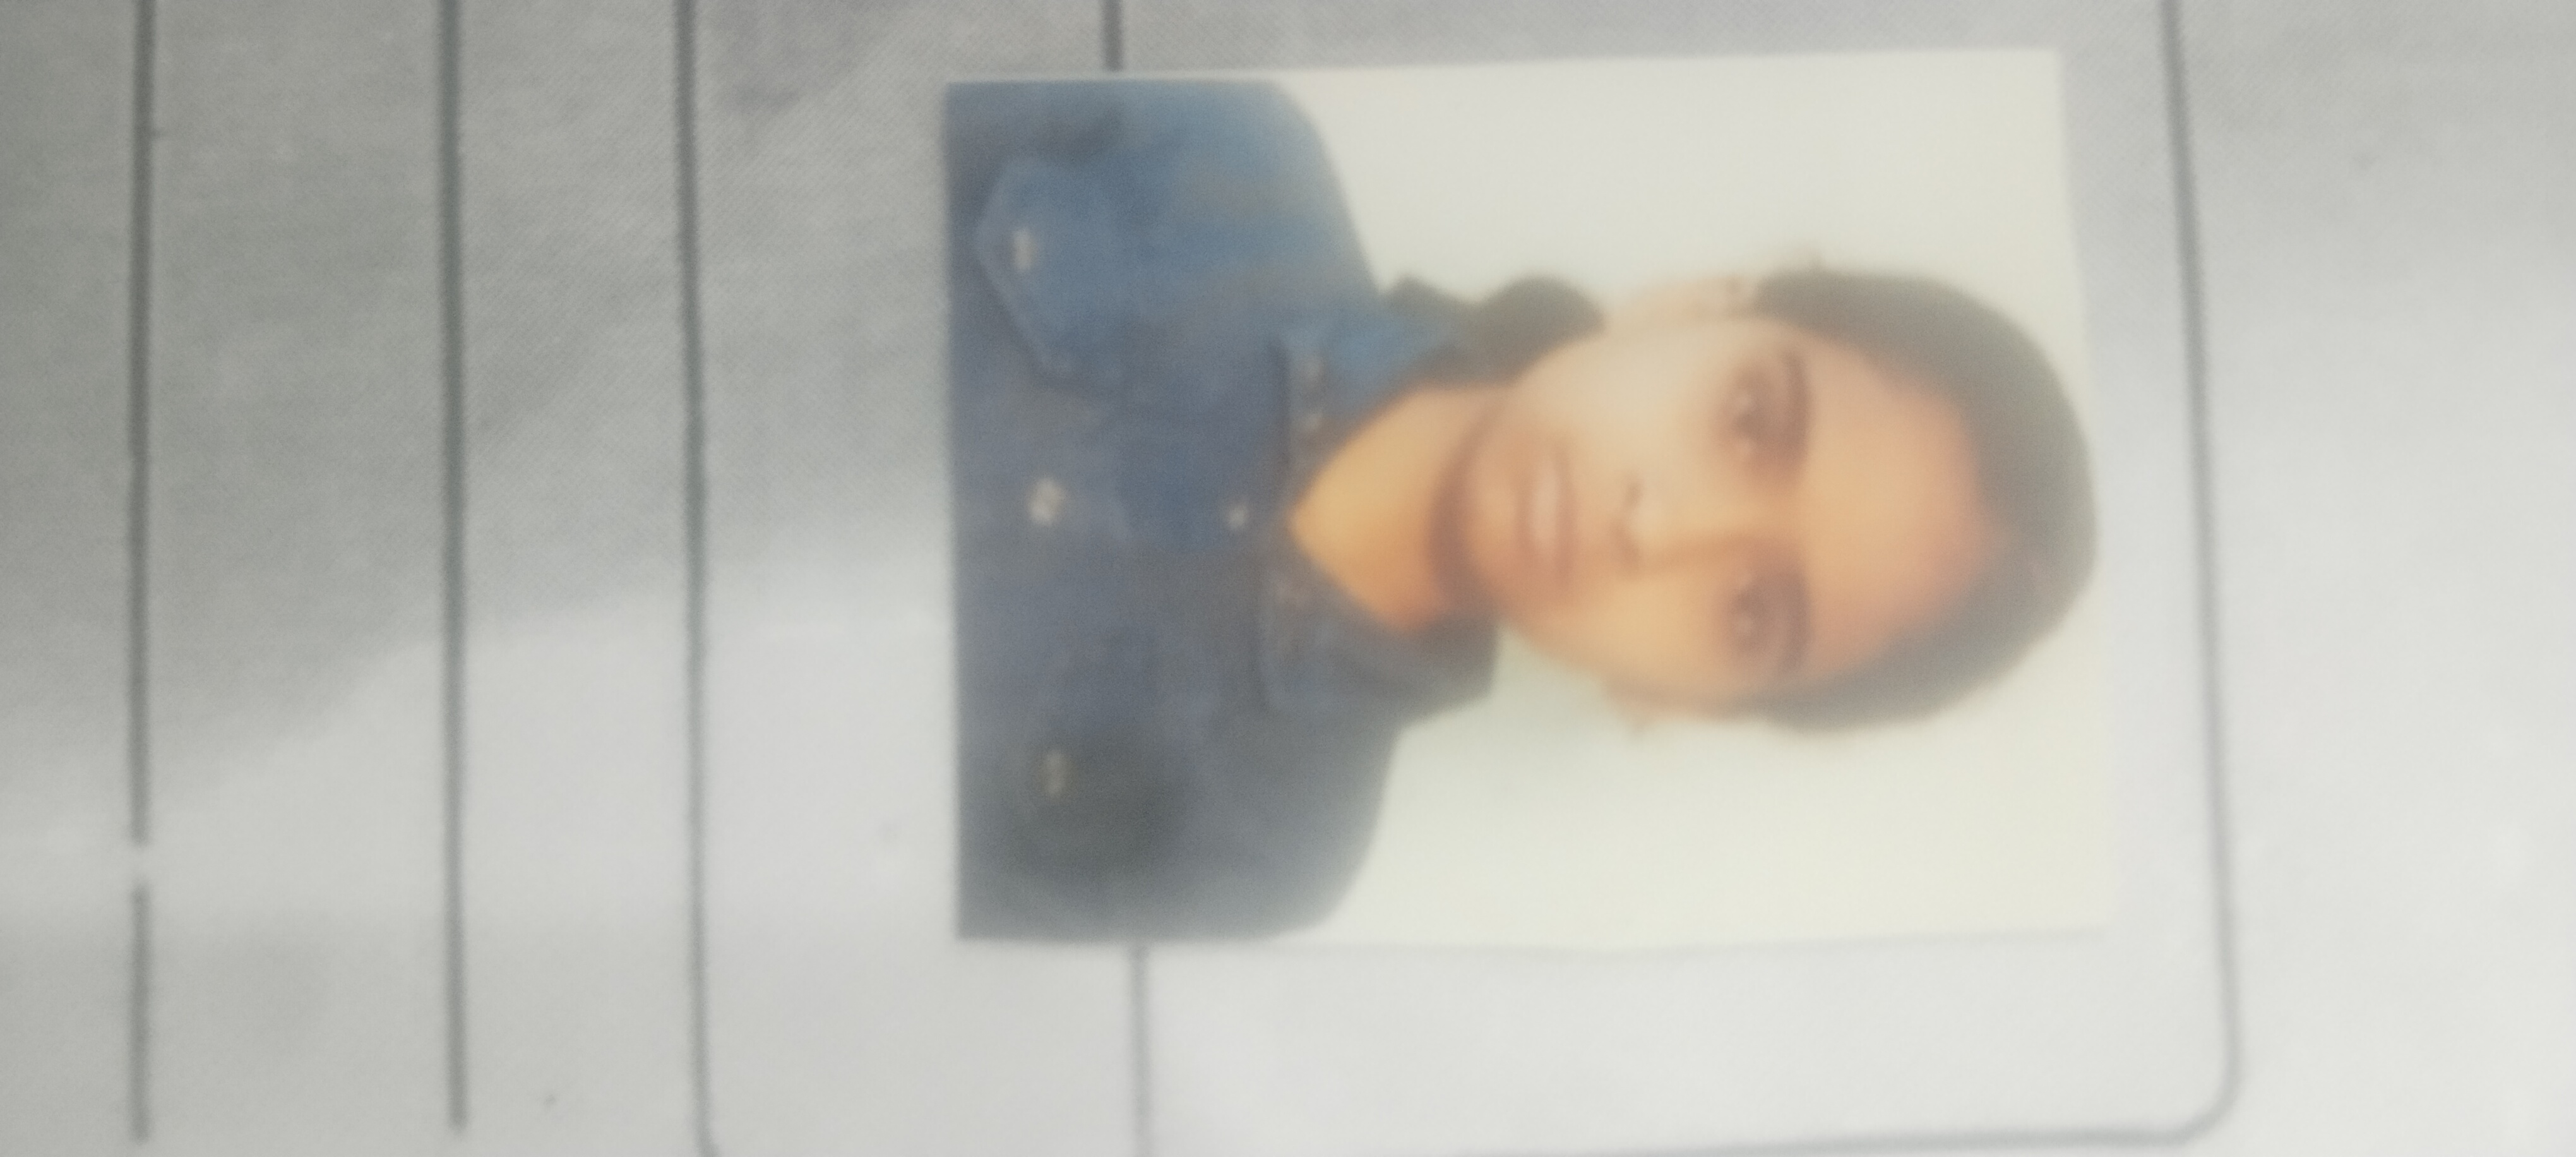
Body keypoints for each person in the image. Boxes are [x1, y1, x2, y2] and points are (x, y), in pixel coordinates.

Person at [946, 79, 2092, 939]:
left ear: (1681, 702)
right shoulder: (1228, 155)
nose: (1659, 531)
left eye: (1750, 611)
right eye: (1751, 420)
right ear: (1693, 305)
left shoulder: (1272, 853)